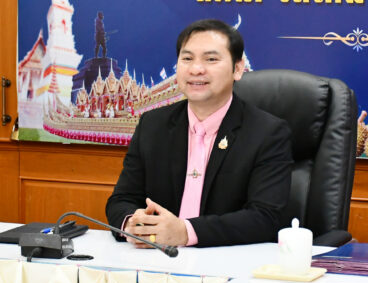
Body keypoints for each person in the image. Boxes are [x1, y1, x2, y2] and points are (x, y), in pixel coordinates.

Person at [105, 19, 293, 248]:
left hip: (226, 259)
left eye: (211, 59)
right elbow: (121, 200)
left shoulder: (267, 133)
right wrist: (134, 225)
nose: (196, 69)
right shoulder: (153, 125)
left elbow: (265, 217)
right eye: (187, 59)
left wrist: (186, 233)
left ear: (238, 69)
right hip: (156, 256)